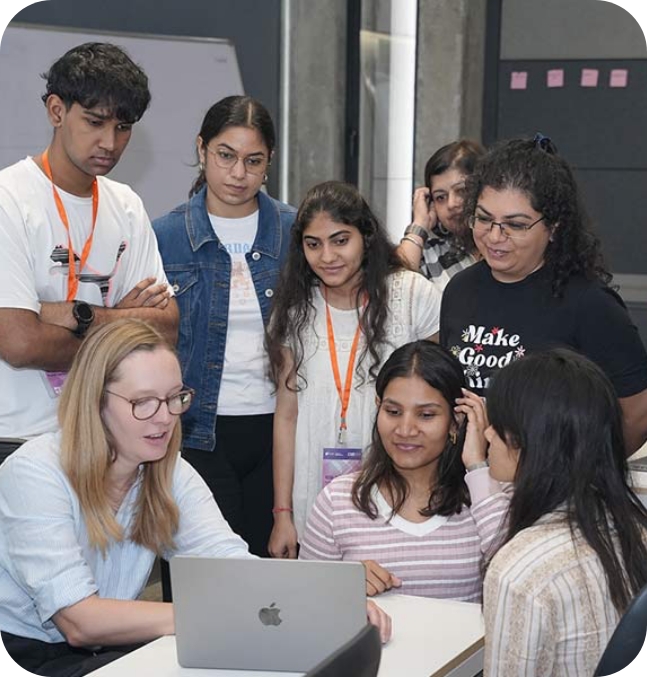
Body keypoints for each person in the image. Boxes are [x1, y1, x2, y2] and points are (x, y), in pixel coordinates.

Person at [0, 319, 392, 676]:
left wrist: (324, 604)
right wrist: (218, 615)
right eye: (143, 402)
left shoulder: (169, 471)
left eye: (175, 398)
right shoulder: (35, 472)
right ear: (95, 402)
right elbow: (79, 621)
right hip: (30, 657)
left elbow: (231, 565)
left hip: (116, 647)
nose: (165, 417)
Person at [0, 42, 178, 458]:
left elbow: (166, 328)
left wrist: (72, 314)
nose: (109, 142)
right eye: (95, 122)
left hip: (99, 437)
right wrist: (123, 325)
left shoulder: (127, 205)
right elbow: (20, 343)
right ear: (56, 111)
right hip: (15, 436)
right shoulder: (9, 199)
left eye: (123, 127)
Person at [266, 181, 443, 558]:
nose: (327, 256)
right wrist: (283, 514)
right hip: (314, 497)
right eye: (313, 244)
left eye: (340, 240)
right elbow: (286, 415)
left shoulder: (412, 296)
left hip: (401, 494)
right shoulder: (295, 308)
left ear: (366, 236)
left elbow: (440, 400)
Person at [440, 134, 647, 454]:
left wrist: (583, 471)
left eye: (515, 225)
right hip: (468, 477)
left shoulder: (589, 304)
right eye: (484, 219)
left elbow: (637, 413)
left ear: (554, 228)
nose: (494, 236)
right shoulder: (460, 288)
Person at [153, 96, 296, 556]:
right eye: (226, 156)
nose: (238, 173)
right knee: (201, 575)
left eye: (253, 161)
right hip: (193, 429)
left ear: (269, 162)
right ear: (202, 149)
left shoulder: (295, 232)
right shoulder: (164, 236)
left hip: (277, 429)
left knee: (271, 578)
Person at [300, 341, 509, 601]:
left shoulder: (492, 496)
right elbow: (304, 602)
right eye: (393, 411)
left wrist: (477, 464)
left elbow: (516, 576)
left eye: (426, 415)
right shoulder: (337, 501)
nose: (405, 430)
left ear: (456, 420)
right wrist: (341, 585)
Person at [482, 348, 647, 677]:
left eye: (497, 425)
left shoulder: (520, 571)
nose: (487, 433)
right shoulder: (634, 528)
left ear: (529, 441)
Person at [397, 139, 484, 293]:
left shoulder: (506, 242)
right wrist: (420, 224)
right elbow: (395, 289)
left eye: (462, 191)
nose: (451, 204)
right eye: (440, 197)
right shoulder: (428, 254)